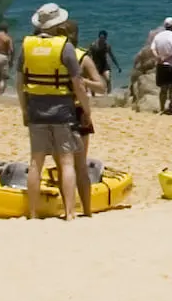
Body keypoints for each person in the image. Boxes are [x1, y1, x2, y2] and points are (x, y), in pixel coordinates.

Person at [16, 2, 92, 221]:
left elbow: (19, 83)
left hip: (35, 111)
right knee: (67, 161)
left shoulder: (26, 46)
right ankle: (69, 212)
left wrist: (24, 110)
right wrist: (87, 110)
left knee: (35, 162)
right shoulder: (65, 47)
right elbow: (78, 84)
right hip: (62, 111)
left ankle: (32, 213)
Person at [61, 20, 106, 216]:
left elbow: (100, 86)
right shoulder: (82, 57)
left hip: (60, 111)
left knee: (65, 165)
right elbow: (101, 86)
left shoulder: (56, 56)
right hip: (78, 112)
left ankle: (70, 210)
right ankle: (86, 210)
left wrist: (79, 80)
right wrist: (82, 81)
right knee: (79, 165)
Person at [150, 17, 172, 114]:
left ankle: (161, 108)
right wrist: (166, 59)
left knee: (163, 89)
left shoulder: (158, 36)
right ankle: (171, 108)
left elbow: (152, 49)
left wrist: (158, 58)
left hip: (161, 66)